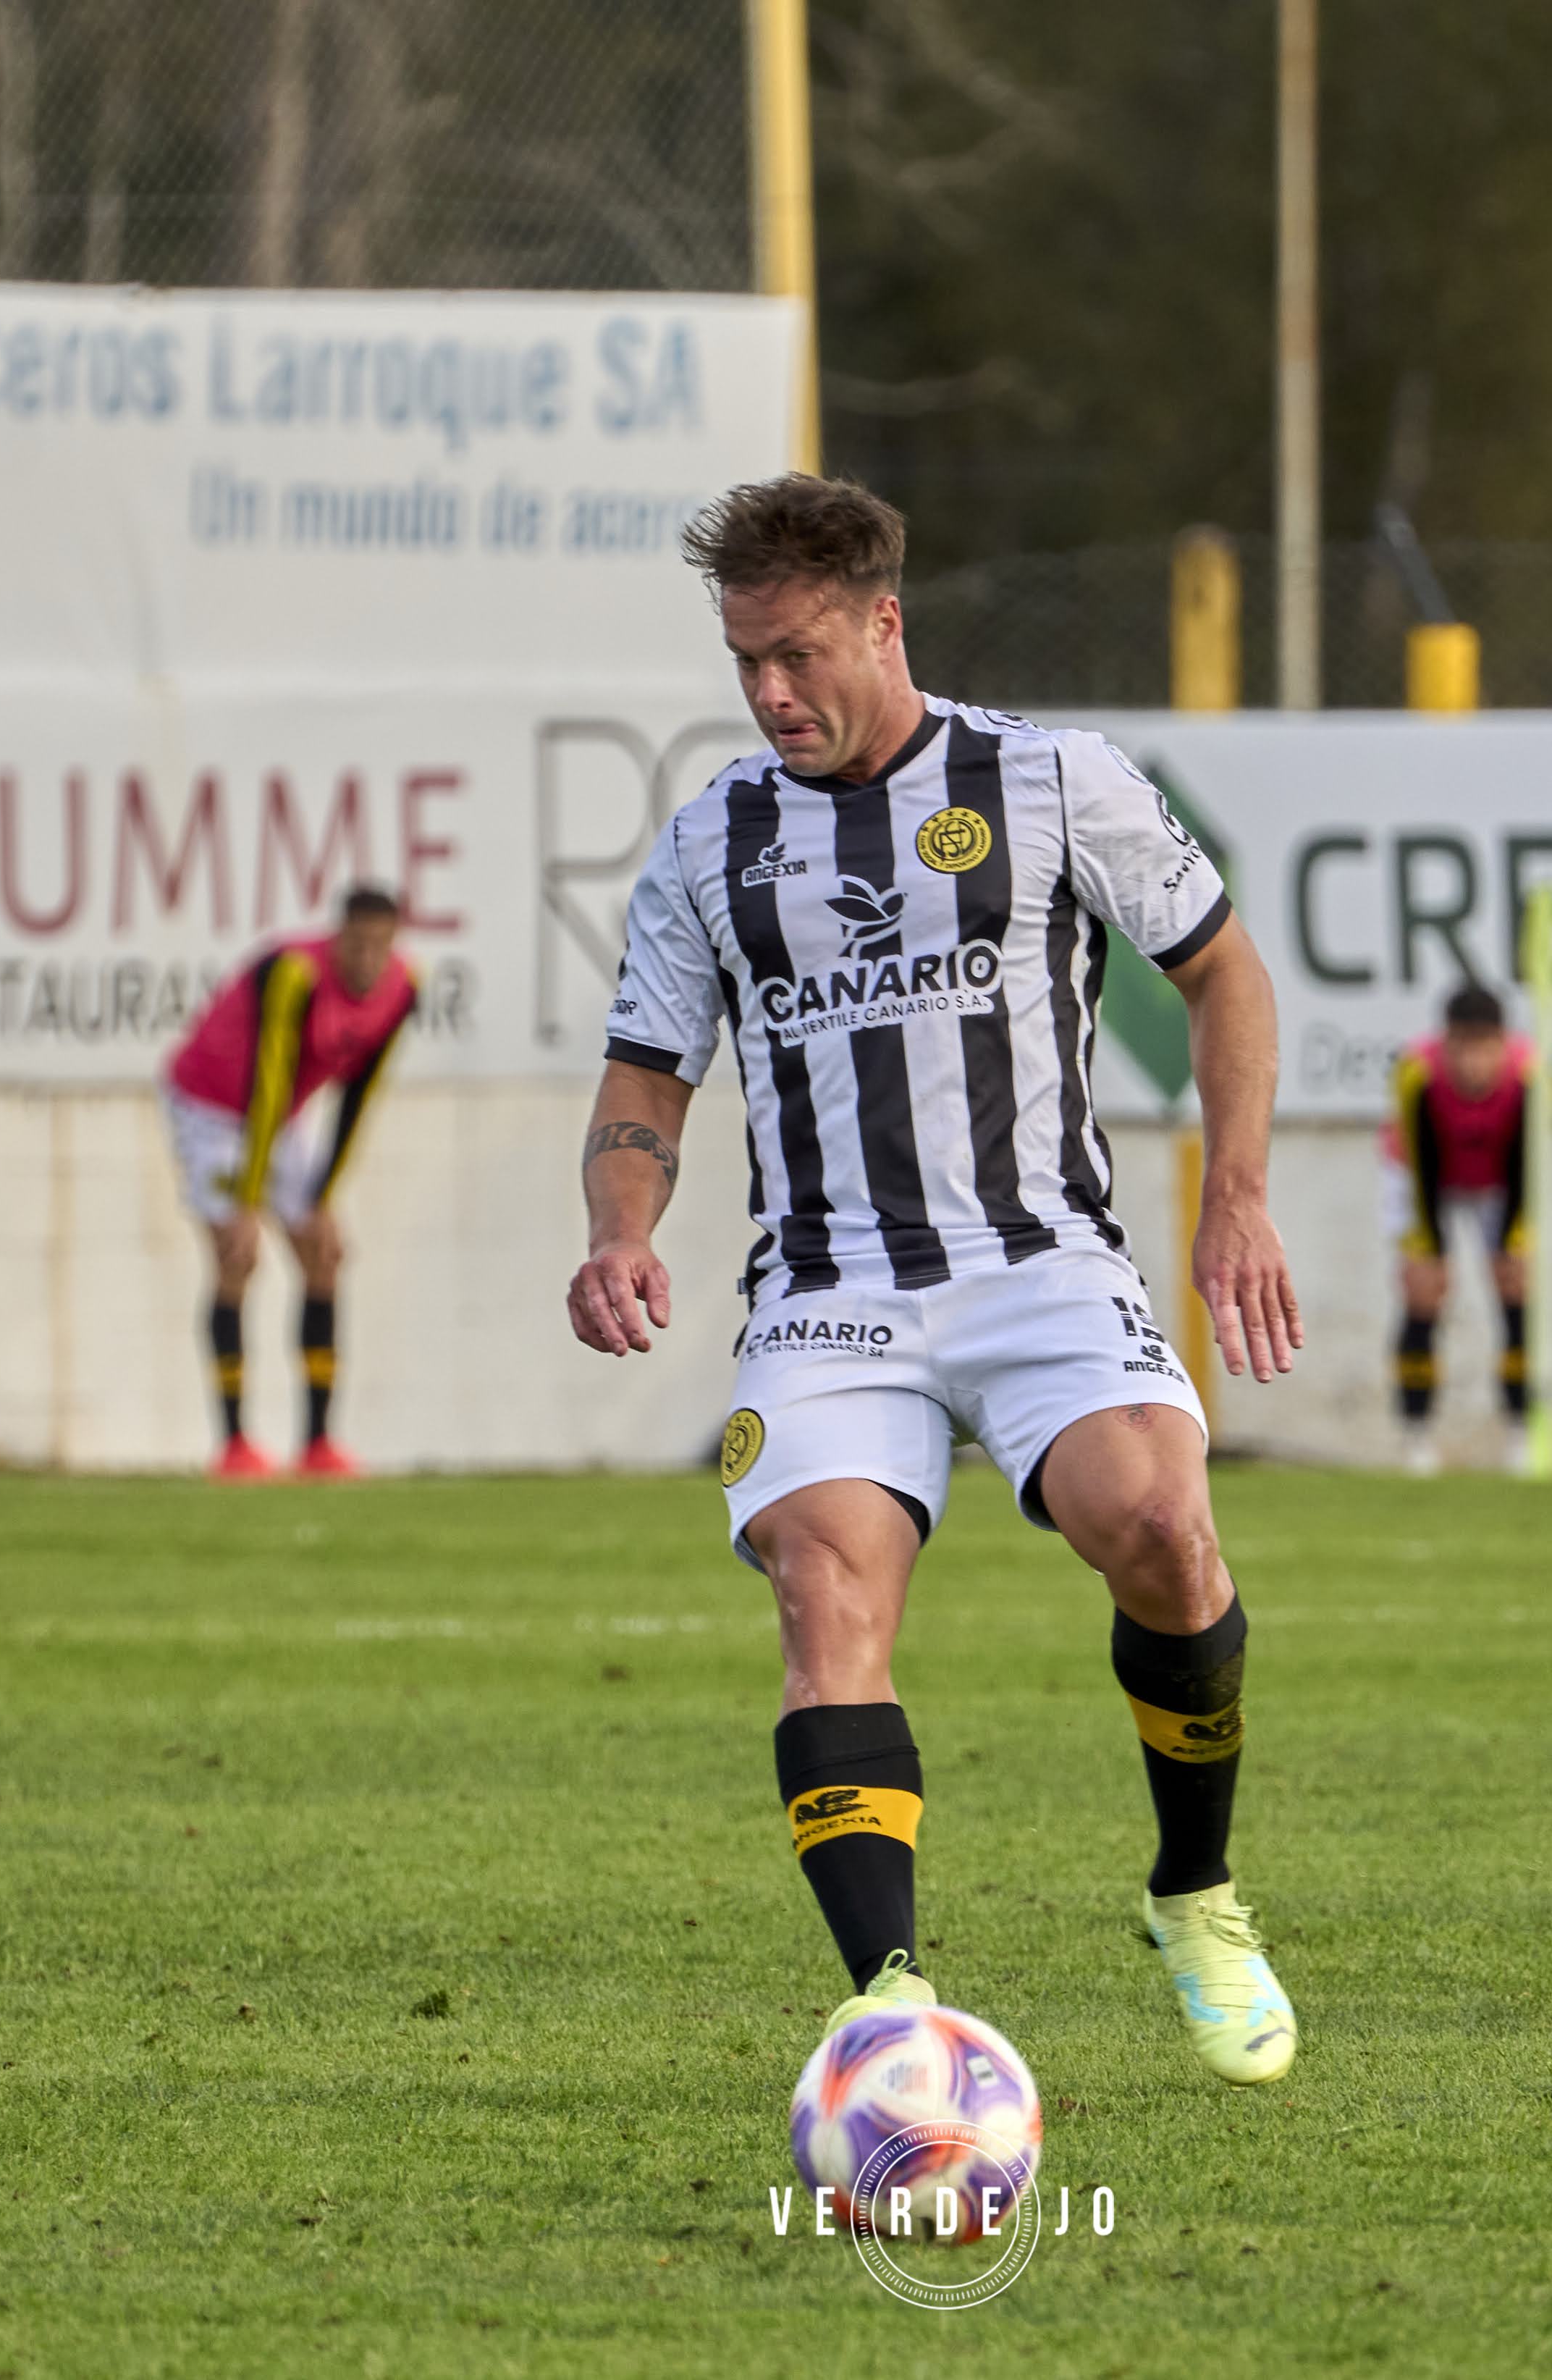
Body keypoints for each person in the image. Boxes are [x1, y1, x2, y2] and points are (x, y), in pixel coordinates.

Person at [564, 474, 1303, 2086]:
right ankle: (890, 2008)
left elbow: (1225, 972)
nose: (769, 692)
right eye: (744, 657)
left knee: (1167, 1533)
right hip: (828, 1295)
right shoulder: (713, 843)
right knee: (827, 1600)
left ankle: (1196, 1894)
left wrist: (1234, 1195)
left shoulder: (1048, 780)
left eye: (800, 652)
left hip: (1042, 1263)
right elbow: (643, 1074)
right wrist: (621, 1223)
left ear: (883, 623)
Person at [159, 886, 417, 1480]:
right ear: (339, 936)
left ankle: (319, 1444)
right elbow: (268, 1075)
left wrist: (324, 1197)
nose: (367, 958)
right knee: (237, 1256)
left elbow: (360, 1096)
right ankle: (234, 1445)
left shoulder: (404, 987)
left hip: (283, 1119)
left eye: (381, 944)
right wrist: (247, 1203)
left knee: (324, 1255)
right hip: (212, 1107)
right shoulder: (295, 971)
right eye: (357, 943)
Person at [1383, 983, 1537, 1476]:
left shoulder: (1529, 1077)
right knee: (1425, 1290)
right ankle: (1416, 1434)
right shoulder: (1418, 1073)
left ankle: (1520, 1431)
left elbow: (1526, 1166)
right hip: (1421, 1173)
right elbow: (1421, 1161)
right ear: (1445, 1042)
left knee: (1515, 1284)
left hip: (1498, 1176)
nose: (1472, 1063)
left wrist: (1510, 1241)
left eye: (1483, 1048)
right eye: (1462, 1048)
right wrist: (1431, 1247)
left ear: (1501, 1044)